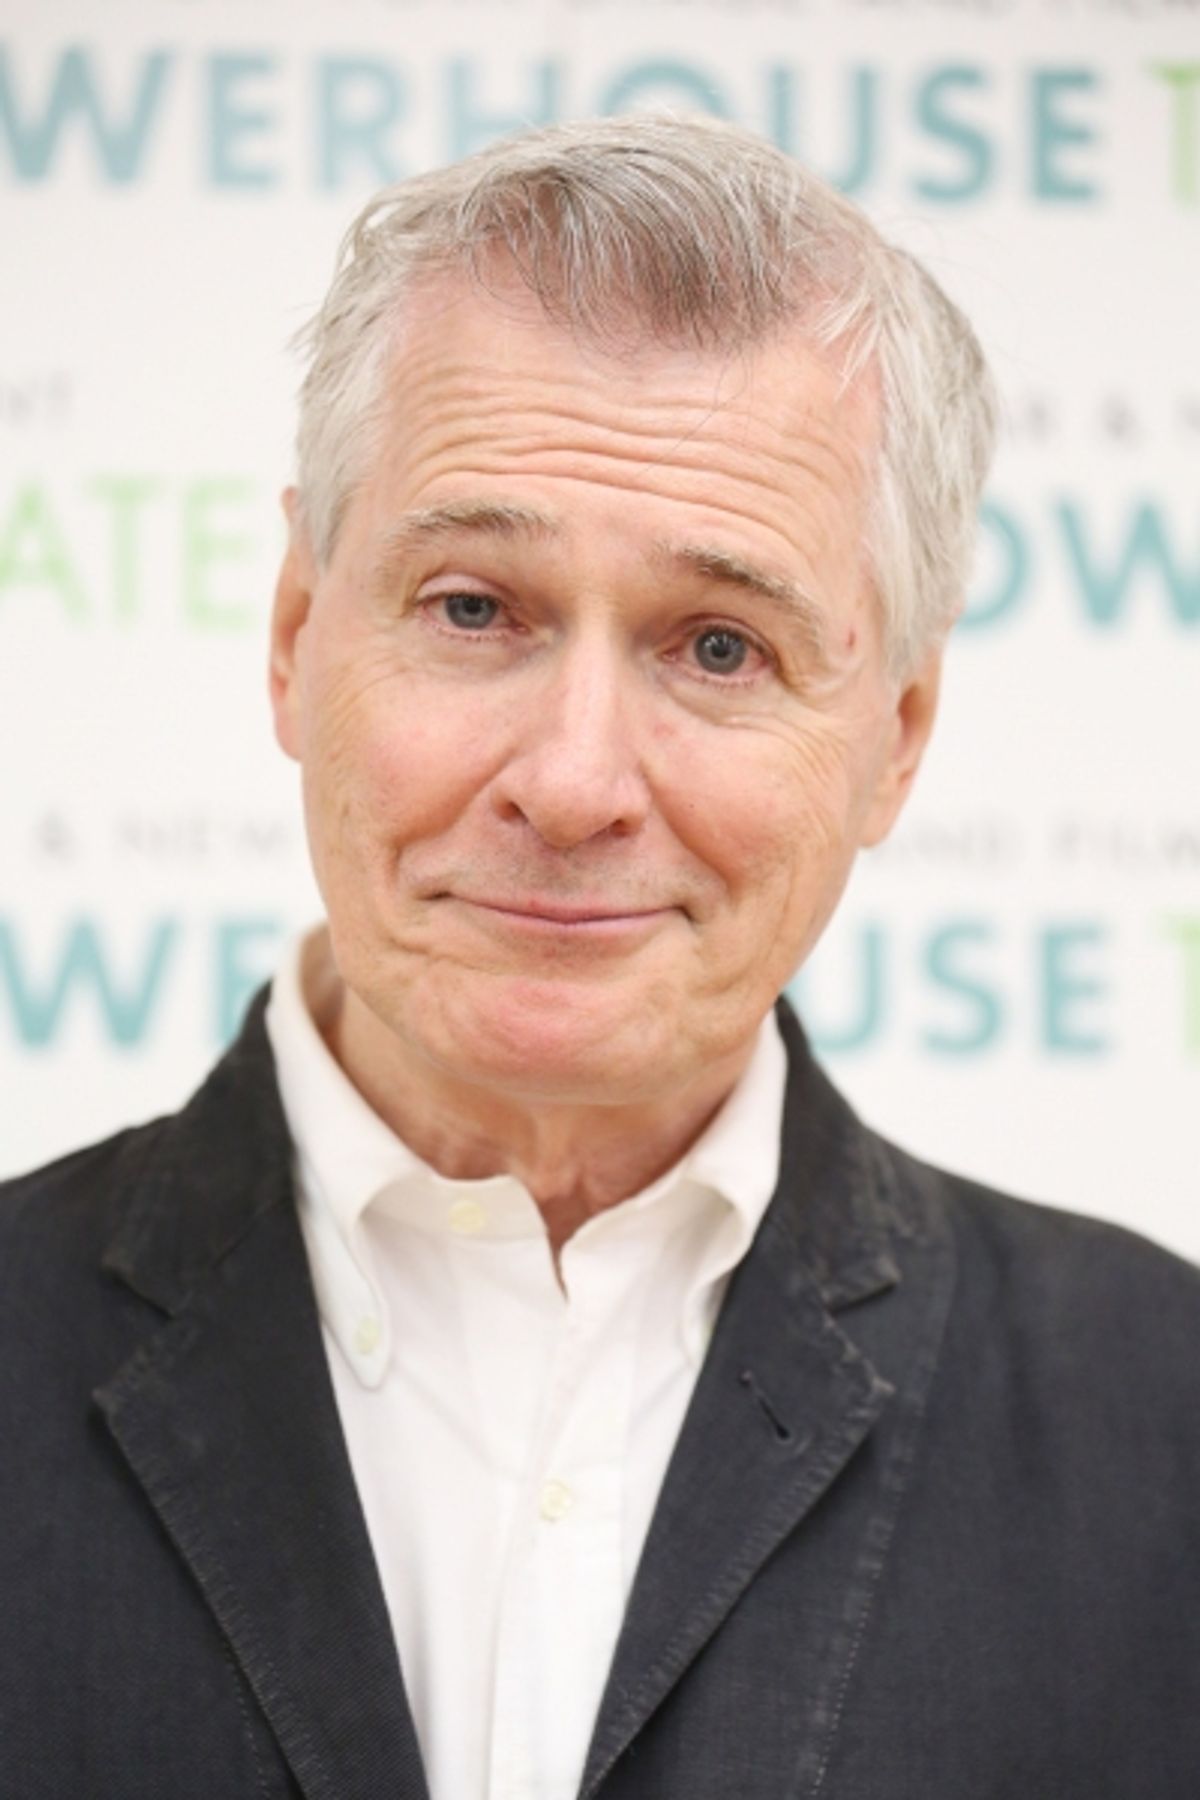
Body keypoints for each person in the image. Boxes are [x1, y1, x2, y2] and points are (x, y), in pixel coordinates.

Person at [1, 114, 1197, 1800]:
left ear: (897, 739)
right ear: (292, 635)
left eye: (721, 644)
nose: (571, 784)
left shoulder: (1167, 1424)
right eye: (475, 608)